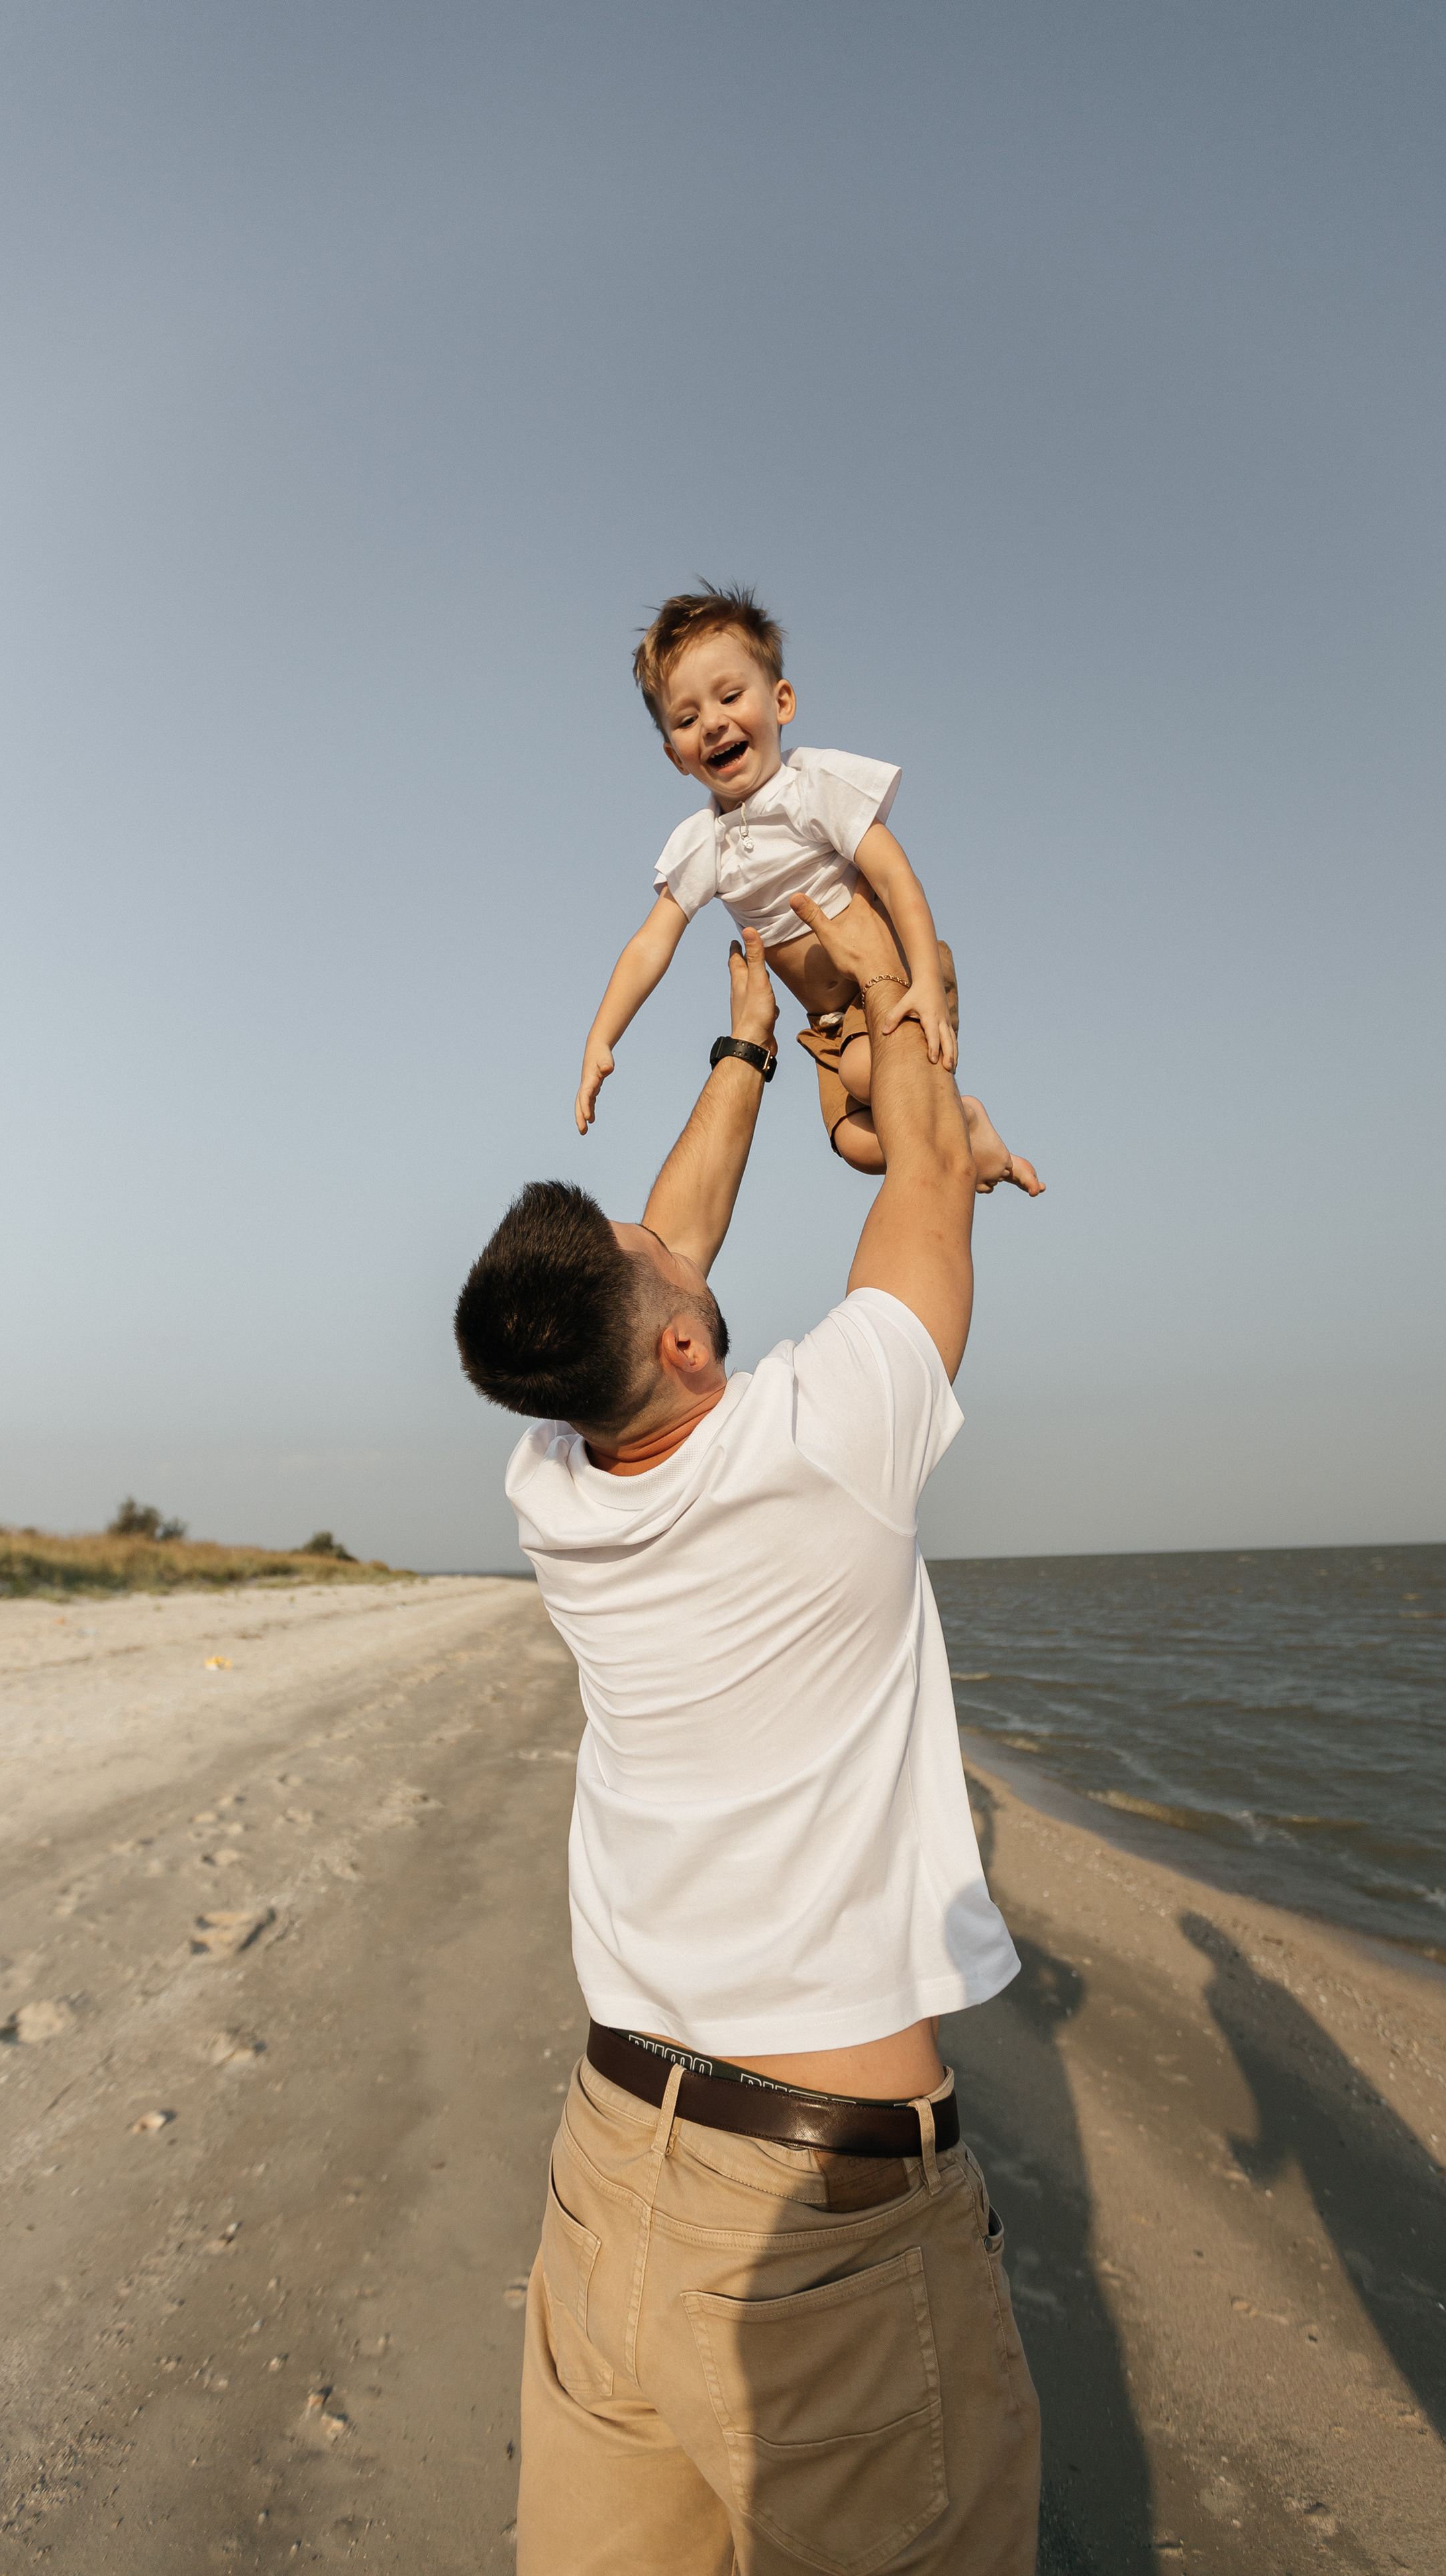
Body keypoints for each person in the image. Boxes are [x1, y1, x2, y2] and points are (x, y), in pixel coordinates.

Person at [455, 890, 1042, 2573]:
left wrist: (745, 1045)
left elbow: (668, 1239)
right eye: (657, 1257)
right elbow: (925, 1185)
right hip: (817, 2229)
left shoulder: (555, 1484)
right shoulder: (822, 1438)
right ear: (681, 1340)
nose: (670, 1233)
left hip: (608, 2174)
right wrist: (890, 991)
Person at [575, 582, 1044, 1199]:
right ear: (675, 756)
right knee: (856, 1144)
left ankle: (956, 1127)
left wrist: (927, 982)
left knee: (866, 1075)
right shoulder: (701, 843)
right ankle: (968, 1128)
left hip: (893, 975)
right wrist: (602, 1036)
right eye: (687, 719)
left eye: (730, 697)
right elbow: (649, 944)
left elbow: (895, 876)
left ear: (782, 702)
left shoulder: (813, 787)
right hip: (826, 1022)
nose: (712, 723)